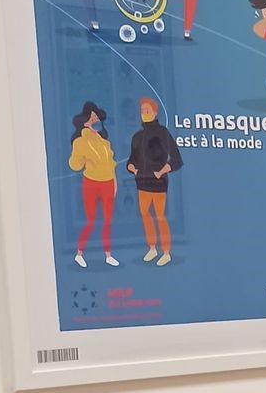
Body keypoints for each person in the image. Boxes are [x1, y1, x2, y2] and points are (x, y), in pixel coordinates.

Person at [126, 96, 182, 266]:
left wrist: (162, 171)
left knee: (160, 216)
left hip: (158, 183)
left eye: (147, 110)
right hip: (142, 182)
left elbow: (177, 159)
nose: (144, 113)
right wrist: (132, 168)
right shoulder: (137, 136)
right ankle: (152, 248)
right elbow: (131, 160)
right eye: (142, 110)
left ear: (155, 112)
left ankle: (166, 252)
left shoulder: (163, 133)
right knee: (145, 214)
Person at [67, 101, 119, 268]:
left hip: (108, 183)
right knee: (91, 220)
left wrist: (115, 183)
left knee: (107, 221)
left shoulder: (104, 142)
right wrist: (80, 157)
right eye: (92, 119)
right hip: (91, 182)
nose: (96, 121)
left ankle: (108, 255)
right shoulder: (80, 142)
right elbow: (75, 165)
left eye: (97, 118)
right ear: (85, 123)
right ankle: (79, 254)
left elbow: (111, 164)